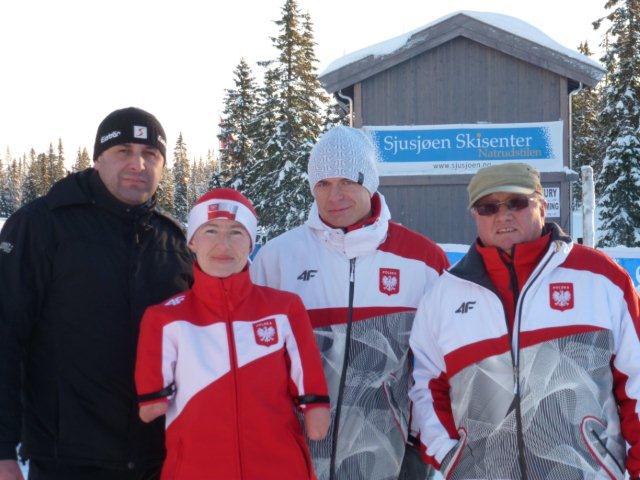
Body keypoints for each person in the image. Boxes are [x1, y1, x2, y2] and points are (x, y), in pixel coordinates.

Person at [409, 162, 640, 479]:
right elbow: (424, 387)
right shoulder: (444, 297)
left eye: (516, 202)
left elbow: (636, 378)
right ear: (475, 215)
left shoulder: (600, 278)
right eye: (488, 207)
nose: (503, 216)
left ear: (543, 205)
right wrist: (451, 458)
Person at [0, 107, 193, 480]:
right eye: (123, 151)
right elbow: (4, 334)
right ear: (98, 158)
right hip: (68, 460)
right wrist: (2, 449)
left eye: (150, 155)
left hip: (159, 459)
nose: (137, 164)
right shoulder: (42, 225)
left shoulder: (173, 241)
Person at [251, 125, 449, 480]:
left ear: (369, 183)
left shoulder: (422, 260)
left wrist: (423, 437)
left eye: (347, 181)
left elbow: (440, 362)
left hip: (391, 453)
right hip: (299, 451)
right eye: (323, 184)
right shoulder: (280, 258)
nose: (334, 195)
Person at [135, 188, 330, 480]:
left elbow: (308, 373)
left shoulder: (284, 308)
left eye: (236, 232)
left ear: (251, 242)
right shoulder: (166, 318)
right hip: (196, 470)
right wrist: (151, 394)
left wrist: (315, 404)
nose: (223, 244)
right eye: (211, 230)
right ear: (192, 241)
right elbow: (151, 397)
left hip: (279, 468)